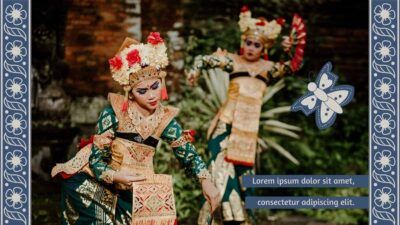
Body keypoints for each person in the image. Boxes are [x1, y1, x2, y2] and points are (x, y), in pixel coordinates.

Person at [51, 32, 220, 225]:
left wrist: (205, 180)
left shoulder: (164, 119)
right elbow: (96, 160)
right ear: (130, 94)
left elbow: (187, 153)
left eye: (155, 86)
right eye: (142, 91)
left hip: (139, 186)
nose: (151, 96)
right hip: (103, 180)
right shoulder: (113, 113)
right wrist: (114, 176)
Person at [186, 6, 306, 225]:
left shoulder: (269, 68)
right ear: (243, 43)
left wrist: (291, 49)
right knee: (221, 175)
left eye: (257, 45)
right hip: (225, 127)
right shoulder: (233, 61)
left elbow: (295, 66)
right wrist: (194, 71)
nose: (251, 48)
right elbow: (204, 59)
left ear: (264, 47)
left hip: (248, 133)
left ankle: (241, 220)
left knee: (243, 181)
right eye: (248, 43)